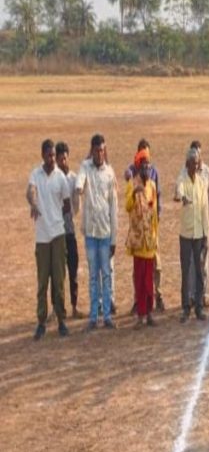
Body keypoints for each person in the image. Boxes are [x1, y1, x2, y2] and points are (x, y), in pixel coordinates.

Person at [27, 139, 72, 339]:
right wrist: (34, 204)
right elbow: (30, 192)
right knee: (42, 281)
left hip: (58, 235)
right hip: (42, 237)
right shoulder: (35, 174)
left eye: (54, 155)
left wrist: (56, 217)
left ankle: (61, 320)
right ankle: (41, 321)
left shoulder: (60, 177)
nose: (53, 159)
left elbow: (67, 204)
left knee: (59, 280)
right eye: (49, 155)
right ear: (42, 156)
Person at [76, 134, 118, 330]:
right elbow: (79, 182)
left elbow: (114, 207)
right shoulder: (85, 167)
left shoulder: (109, 173)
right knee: (93, 276)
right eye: (96, 150)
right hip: (91, 234)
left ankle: (107, 315)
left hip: (106, 233)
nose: (100, 154)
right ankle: (94, 317)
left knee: (106, 275)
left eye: (102, 150)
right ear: (91, 151)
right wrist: (78, 188)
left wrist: (114, 238)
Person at [124, 139, 164, 314]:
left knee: (149, 280)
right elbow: (127, 206)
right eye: (144, 164)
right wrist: (134, 193)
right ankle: (141, 313)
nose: (147, 168)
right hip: (138, 242)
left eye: (149, 164)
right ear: (138, 167)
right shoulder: (132, 184)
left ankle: (149, 313)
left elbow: (154, 212)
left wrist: (155, 235)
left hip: (150, 241)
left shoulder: (152, 186)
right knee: (140, 280)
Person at [177, 147, 209, 322]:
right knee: (185, 271)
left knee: (199, 271)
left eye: (197, 163)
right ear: (187, 164)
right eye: (192, 163)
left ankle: (198, 307)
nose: (195, 166)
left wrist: (206, 234)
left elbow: (205, 210)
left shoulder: (202, 183)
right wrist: (182, 198)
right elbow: (179, 191)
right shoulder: (182, 179)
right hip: (186, 234)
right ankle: (185, 307)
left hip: (199, 234)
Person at [55, 142, 82, 320]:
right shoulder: (54, 179)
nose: (63, 161)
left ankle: (74, 306)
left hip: (70, 231)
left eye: (65, 158)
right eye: (60, 158)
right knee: (57, 273)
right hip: (56, 232)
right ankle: (57, 308)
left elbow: (76, 207)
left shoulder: (73, 178)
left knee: (73, 269)